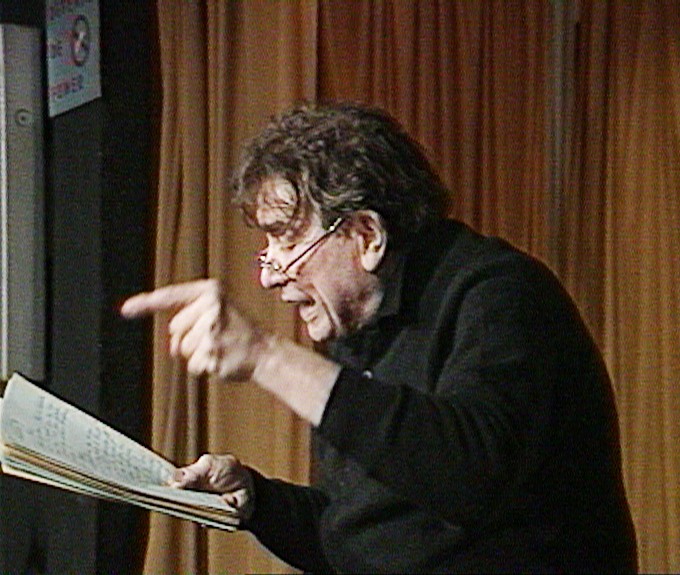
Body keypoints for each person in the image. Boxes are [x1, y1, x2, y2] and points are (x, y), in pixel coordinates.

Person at [121, 103, 638, 573]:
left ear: (367, 235)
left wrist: (265, 356)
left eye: (287, 242)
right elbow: (364, 535)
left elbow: (468, 478)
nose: (268, 276)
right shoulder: (360, 328)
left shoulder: (499, 294)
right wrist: (258, 501)